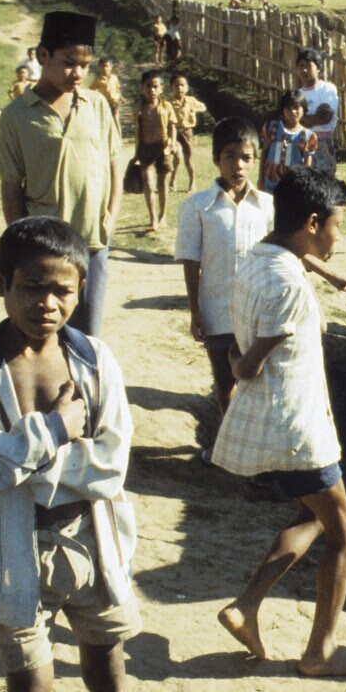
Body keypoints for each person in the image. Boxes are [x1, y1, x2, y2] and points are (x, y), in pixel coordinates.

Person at [0, 217, 140, 692]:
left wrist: (22, 459)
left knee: (109, 678)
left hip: (91, 541)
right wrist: (53, 430)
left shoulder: (95, 360)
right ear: (2, 283)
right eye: (31, 287)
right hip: (10, 551)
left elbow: (110, 464)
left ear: (80, 290)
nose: (47, 303)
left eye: (62, 291)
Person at [212, 168, 346, 677]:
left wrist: (329, 275)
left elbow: (293, 258)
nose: (339, 237)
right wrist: (237, 363)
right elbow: (248, 366)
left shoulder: (260, 257)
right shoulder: (288, 286)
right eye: (337, 226)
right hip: (295, 428)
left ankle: (245, 607)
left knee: (314, 516)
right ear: (313, 222)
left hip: (282, 419)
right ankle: (321, 652)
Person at [0, 11, 122, 337]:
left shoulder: (96, 104)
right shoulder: (15, 116)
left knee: (87, 335)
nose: (78, 73)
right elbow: (11, 186)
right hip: (45, 247)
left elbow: (114, 166)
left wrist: (109, 218)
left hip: (93, 242)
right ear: (43, 55)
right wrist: (22, 244)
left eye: (85, 65)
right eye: (68, 63)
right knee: (43, 333)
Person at [176, 118, 274, 426]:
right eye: (230, 156)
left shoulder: (267, 206)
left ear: (255, 160)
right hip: (217, 310)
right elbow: (191, 262)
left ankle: (255, 438)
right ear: (216, 159)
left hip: (258, 313)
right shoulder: (197, 207)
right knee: (223, 379)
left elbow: (279, 256)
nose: (238, 165)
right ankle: (228, 435)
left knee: (259, 378)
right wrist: (195, 312)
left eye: (246, 157)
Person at [132, 69, 176, 233]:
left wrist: (172, 143)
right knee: (149, 184)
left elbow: (172, 125)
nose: (152, 90)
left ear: (161, 88)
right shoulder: (139, 108)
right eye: (148, 86)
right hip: (145, 149)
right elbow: (137, 130)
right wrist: (136, 151)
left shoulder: (166, 106)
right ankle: (153, 219)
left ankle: (162, 215)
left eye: (155, 86)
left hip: (163, 149)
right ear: (142, 87)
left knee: (162, 184)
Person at [260, 89, 318, 193]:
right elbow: (264, 152)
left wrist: (303, 185)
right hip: (270, 181)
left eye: (296, 107)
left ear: (304, 109)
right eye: (288, 108)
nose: (293, 111)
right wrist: (261, 179)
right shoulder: (272, 128)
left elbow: (307, 164)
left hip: (293, 184)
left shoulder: (307, 136)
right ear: (282, 109)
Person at [296, 47, 340, 177]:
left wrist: (303, 119)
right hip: (301, 144)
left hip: (322, 145)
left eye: (308, 66)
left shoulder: (327, 89)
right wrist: (314, 117)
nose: (304, 70)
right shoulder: (298, 94)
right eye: (301, 66)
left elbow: (325, 118)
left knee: (324, 182)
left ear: (318, 68)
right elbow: (292, 121)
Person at [168, 73, 206, 193]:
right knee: (177, 156)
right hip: (174, 132)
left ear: (187, 88)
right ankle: (172, 181)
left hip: (187, 132)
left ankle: (192, 182)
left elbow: (203, 107)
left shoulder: (191, 101)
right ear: (171, 88)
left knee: (188, 160)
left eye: (182, 85)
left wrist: (195, 109)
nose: (179, 88)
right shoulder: (168, 103)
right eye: (176, 85)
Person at [90, 58, 124, 135]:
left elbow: (117, 89)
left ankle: (119, 137)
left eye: (106, 66)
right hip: (104, 103)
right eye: (102, 66)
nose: (104, 68)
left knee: (116, 118)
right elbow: (92, 90)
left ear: (111, 67)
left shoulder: (114, 78)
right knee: (105, 120)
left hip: (114, 101)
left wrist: (122, 97)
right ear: (99, 67)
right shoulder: (98, 80)